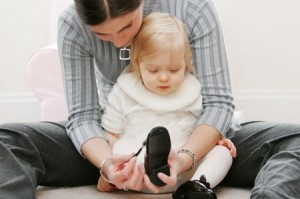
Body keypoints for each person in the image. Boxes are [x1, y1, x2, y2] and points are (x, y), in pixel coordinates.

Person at [0, 0, 299, 198]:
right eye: (103, 35)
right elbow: (82, 117)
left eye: (127, 26)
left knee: (295, 140)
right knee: (7, 139)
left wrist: (183, 159)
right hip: (117, 140)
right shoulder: (71, 24)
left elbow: (219, 104)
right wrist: (106, 163)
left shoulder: (192, 8)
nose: (119, 42)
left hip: (191, 138)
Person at [99, 12, 237, 193]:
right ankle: (146, 170)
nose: (164, 77)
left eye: (174, 69)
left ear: (186, 63)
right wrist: (110, 169)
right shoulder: (125, 90)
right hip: (139, 168)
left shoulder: (192, 90)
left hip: (184, 166)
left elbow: (205, 125)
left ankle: (197, 186)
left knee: (223, 153)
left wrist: (219, 139)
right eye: (153, 70)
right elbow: (111, 132)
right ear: (137, 63)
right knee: (121, 150)